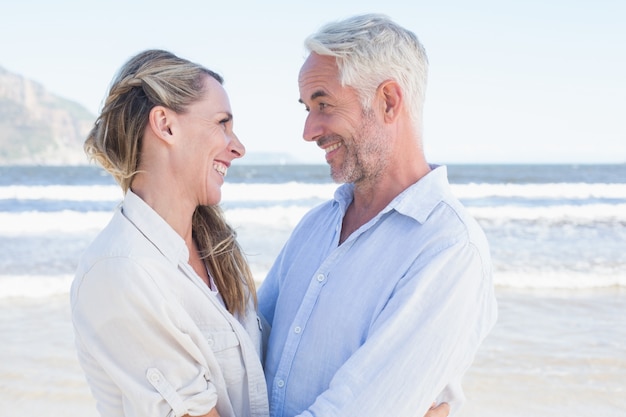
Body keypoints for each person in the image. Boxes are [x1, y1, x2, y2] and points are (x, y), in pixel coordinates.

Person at [257, 13, 498, 417]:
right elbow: (245, 352)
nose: (309, 130)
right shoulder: (316, 225)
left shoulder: (449, 248)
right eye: (307, 108)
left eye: (323, 104)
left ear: (388, 101)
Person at [70, 49, 269, 417]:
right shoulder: (122, 270)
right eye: (222, 123)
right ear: (165, 125)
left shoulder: (218, 251)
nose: (238, 146)